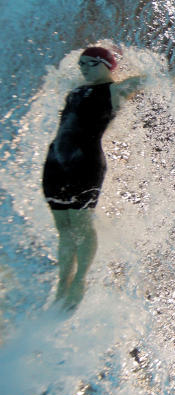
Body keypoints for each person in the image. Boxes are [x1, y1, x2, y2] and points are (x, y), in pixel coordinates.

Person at [43, 46, 144, 310]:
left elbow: (149, 79)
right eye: (81, 65)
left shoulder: (113, 91)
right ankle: (62, 284)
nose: (83, 69)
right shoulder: (76, 90)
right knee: (63, 229)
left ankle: (80, 281)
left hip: (85, 165)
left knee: (81, 225)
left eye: (89, 64)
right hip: (55, 163)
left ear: (106, 64)